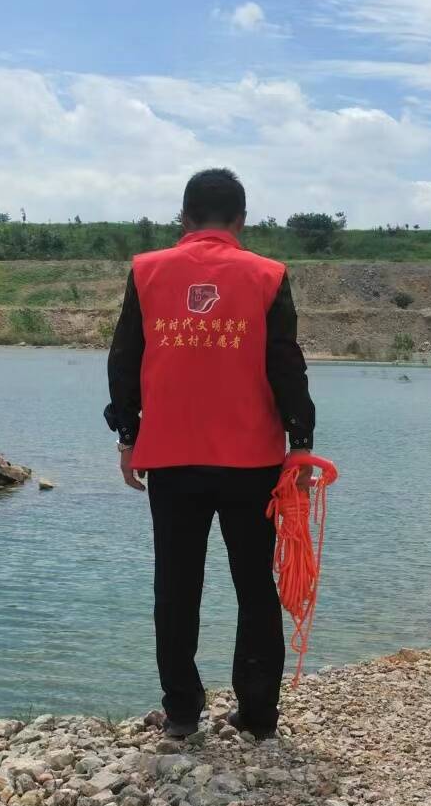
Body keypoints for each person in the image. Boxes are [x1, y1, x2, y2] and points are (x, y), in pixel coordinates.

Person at [105, 168, 316, 740]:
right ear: (241, 220)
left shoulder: (147, 271)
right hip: (252, 461)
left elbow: (125, 359)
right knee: (255, 585)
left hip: (172, 458)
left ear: (184, 216)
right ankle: (258, 715)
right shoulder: (268, 275)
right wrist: (301, 443)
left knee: (175, 586)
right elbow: (286, 364)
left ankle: (181, 712)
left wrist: (127, 435)